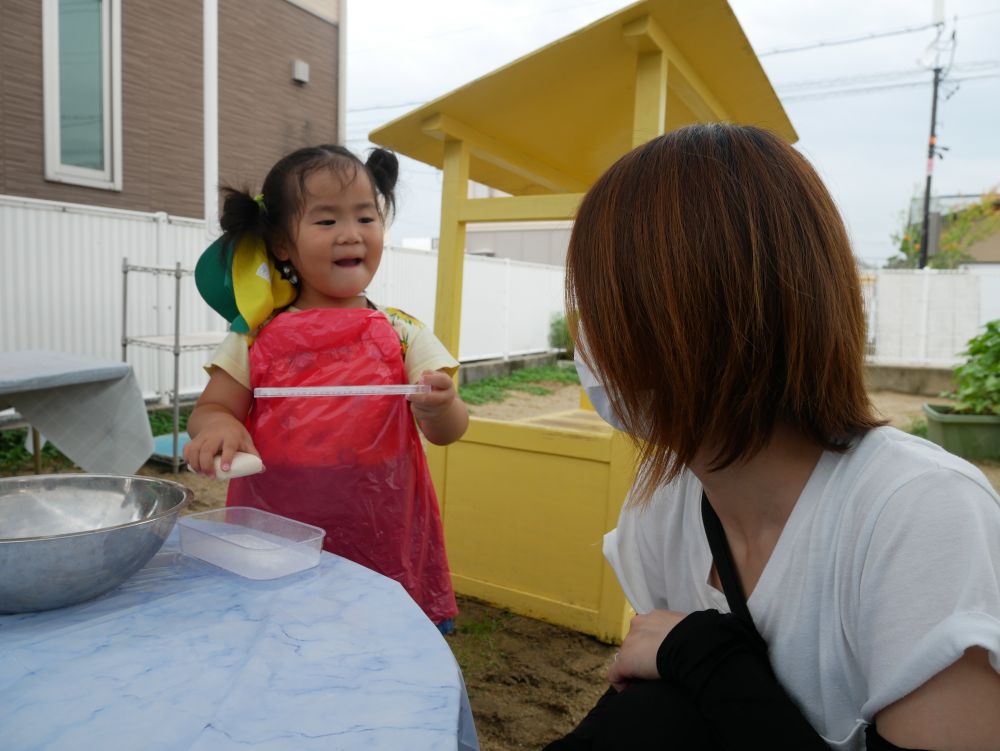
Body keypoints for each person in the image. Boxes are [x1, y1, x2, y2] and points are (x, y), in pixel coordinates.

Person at [547, 124, 1000, 750]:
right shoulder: (666, 507)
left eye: (602, 304)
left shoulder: (919, 514)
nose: (587, 340)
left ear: (699, 311)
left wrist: (706, 658)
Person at [184, 145, 469, 633]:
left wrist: (439, 406)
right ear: (280, 242)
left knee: (376, 639)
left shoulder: (402, 332)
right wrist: (218, 428)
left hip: (383, 527)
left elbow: (450, 430)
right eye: (326, 221)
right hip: (277, 530)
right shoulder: (254, 335)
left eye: (366, 216)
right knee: (281, 638)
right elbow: (212, 407)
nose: (351, 234)